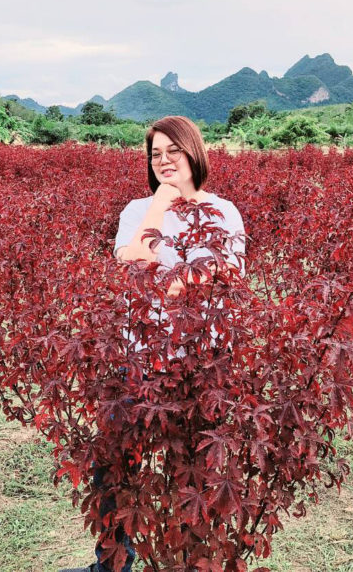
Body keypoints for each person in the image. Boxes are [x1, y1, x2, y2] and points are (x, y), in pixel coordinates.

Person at [58, 115, 245, 572]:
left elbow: (226, 274)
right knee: (115, 472)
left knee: (193, 473)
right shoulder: (136, 210)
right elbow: (132, 266)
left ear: (193, 151)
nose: (163, 160)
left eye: (172, 151)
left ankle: (187, 561)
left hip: (202, 364)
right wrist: (159, 206)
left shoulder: (224, 211)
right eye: (155, 154)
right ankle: (111, 564)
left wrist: (168, 278)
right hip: (137, 360)